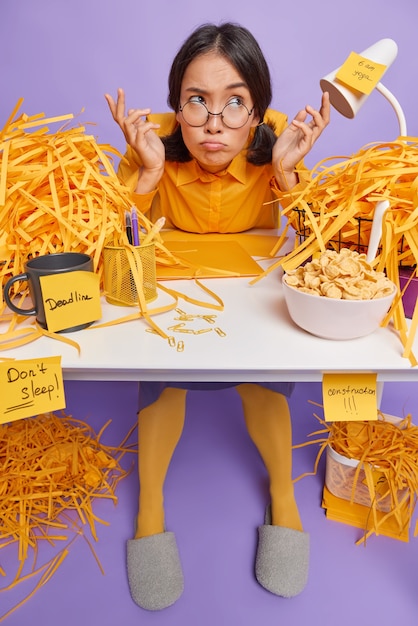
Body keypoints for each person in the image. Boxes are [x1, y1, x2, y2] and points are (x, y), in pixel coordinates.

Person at [106, 21, 329, 611]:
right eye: (196, 102)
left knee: (266, 381)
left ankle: (284, 492)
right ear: (176, 104)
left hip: (256, 293)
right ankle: (149, 506)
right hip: (174, 295)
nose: (213, 122)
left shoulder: (278, 141)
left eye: (235, 104)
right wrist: (147, 174)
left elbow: (317, 245)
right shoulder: (151, 138)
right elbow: (112, 243)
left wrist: (286, 173)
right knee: (159, 376)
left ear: (257, 111)